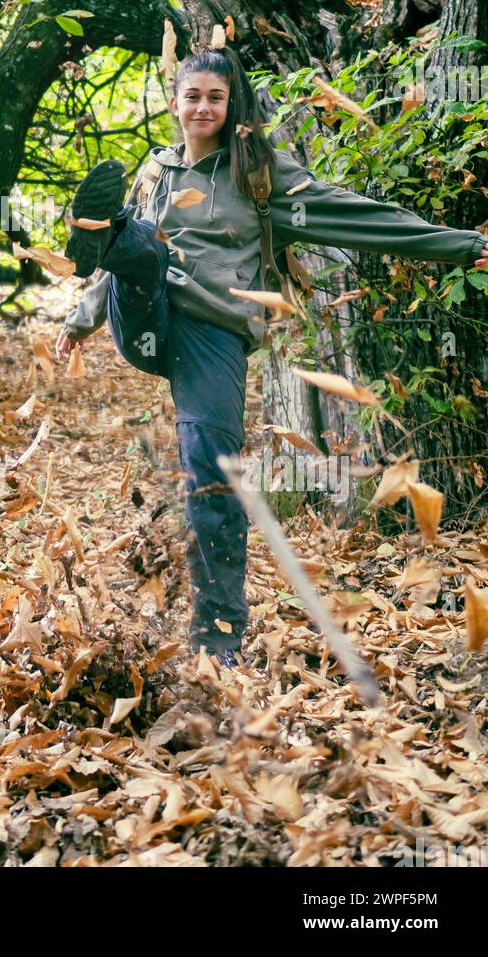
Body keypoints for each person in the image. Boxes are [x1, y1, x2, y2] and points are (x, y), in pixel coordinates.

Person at [54, 45, 488, 667]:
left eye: (215, 97)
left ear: (231, 107)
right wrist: (79, 319)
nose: (202, 107)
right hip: (146, 317)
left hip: (213, 335)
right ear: (175, 101)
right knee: (138, 242)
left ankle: (218, 637)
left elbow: (353, 216)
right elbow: (122, 266)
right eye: (192, 95)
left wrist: (458, 245)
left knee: (214, 472)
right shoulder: (156, 170)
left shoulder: (258, 176)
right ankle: (99, 231)